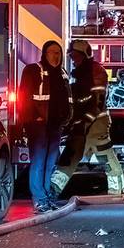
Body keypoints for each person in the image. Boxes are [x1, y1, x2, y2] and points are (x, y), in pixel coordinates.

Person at [50, 39, 124, 197]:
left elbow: (96, 101)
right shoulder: (82, 74)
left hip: (95, 125)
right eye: (71, 56)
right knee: (74, 157)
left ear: (85, 55)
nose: (73, 59)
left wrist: (84, 122)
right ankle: (117, 191)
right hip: (86, 124)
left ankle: (53, 190)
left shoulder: (95, 71)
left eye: (76, 56)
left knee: (77, 157)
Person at [20, 40, 72, 213]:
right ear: (44, 54)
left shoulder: (63, 74)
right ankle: (39, 199)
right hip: (38, 125)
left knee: (50, 162)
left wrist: (66, 118)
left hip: (55, 125)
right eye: (52, 52)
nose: (56, 56)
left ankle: (46, 196)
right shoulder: (33, 70)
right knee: (39, 161)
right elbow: (24, 97)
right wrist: (32, 119)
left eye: (58, 52)